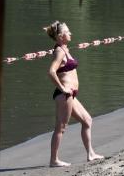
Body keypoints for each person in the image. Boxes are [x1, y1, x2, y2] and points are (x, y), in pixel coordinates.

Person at [44, 20, 104, 167]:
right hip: (64, 95)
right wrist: (63, 88)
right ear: (60, 36)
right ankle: (54, 160)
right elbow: (51, 72)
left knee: (87, 120)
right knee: (61, 127)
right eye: (67, 32)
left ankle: (90, 154)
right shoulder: (59, 51)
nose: (70, 33)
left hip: (70, 95)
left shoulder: (65, 49)